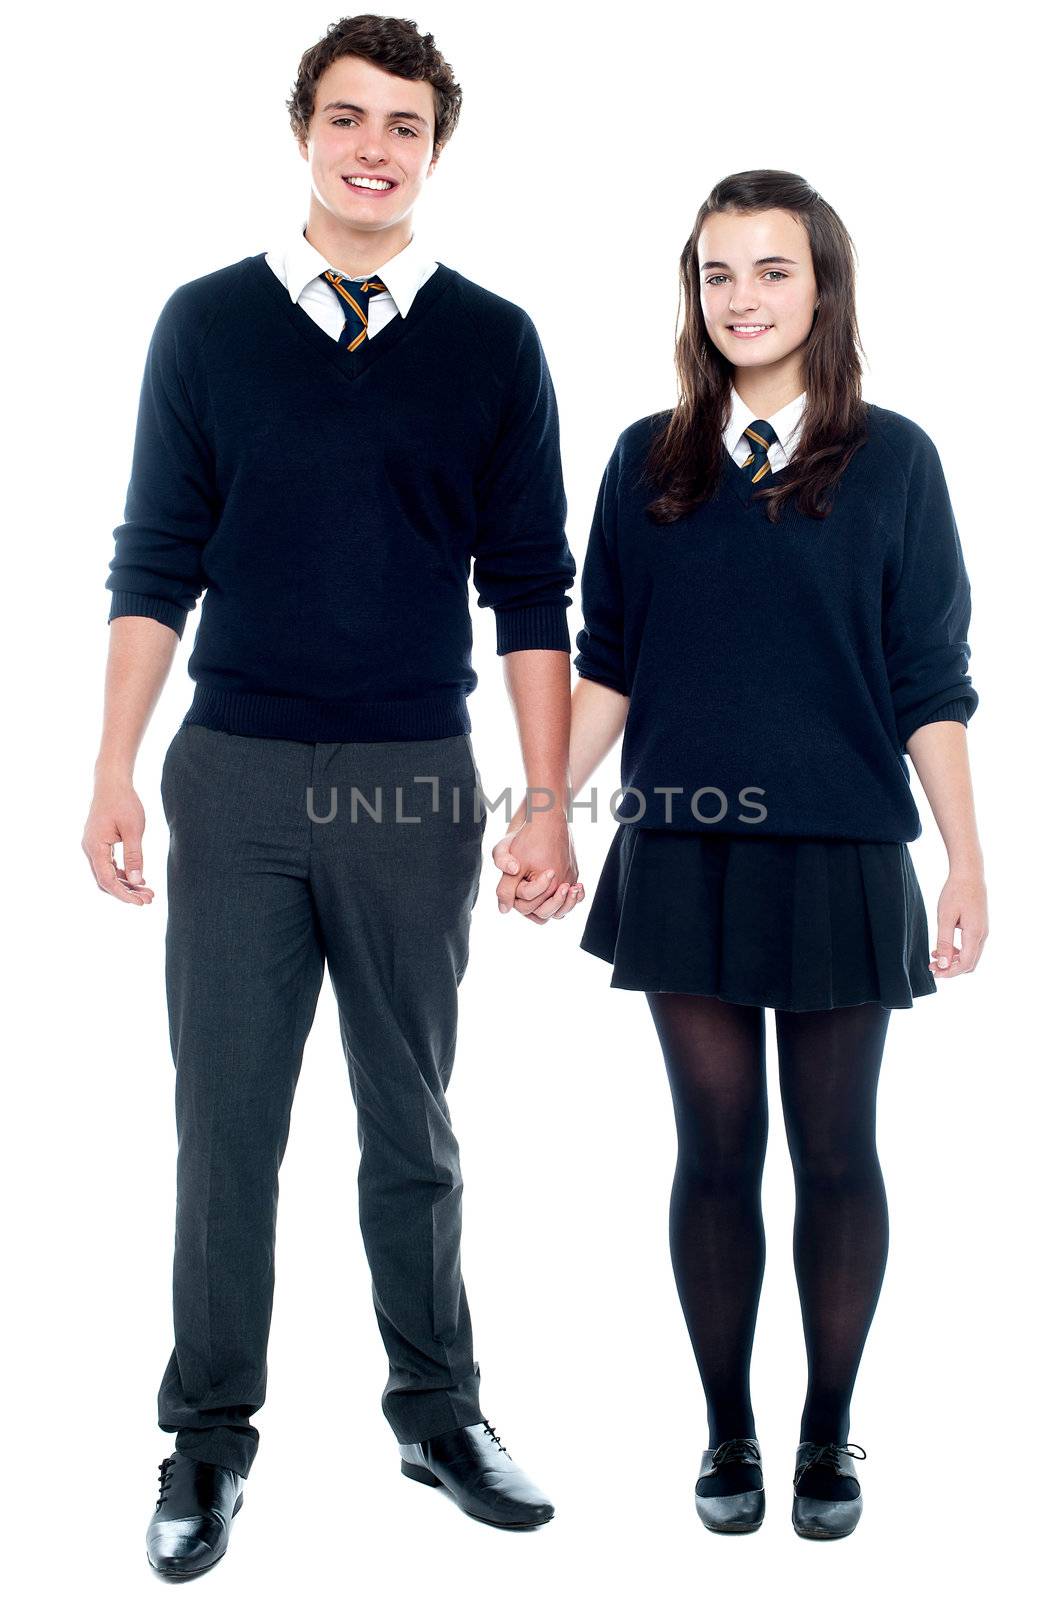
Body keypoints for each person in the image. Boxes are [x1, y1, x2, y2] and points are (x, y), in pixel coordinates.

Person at [82, 14, 580, 1576]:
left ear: (437, 150)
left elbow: (530, 590)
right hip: (228, 777)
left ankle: (436, 1411)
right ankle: (206, 1440)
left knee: (409, 1122)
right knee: (223, 1130)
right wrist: (110, 761)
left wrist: (546, 796)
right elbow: (156, 557)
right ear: (302, 128)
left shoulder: (493, 342)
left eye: (406, 126)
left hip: (413, 782)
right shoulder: (207, 325)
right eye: (348, 117)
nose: (374, 146)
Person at [491, 169, 987, 1540]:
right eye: (717, 274)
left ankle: (829, 1430)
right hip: (683, 852)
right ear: (691, 293)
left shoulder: (893, 459)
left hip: (838, 851)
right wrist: (541, 806)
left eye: (771, 271)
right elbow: (607, 670)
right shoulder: (649, 458)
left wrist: (965, 861)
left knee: (836, 1152)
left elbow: (927, 681)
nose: (743, 299)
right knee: (712, 1151)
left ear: (820, 286)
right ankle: (727, 1430)